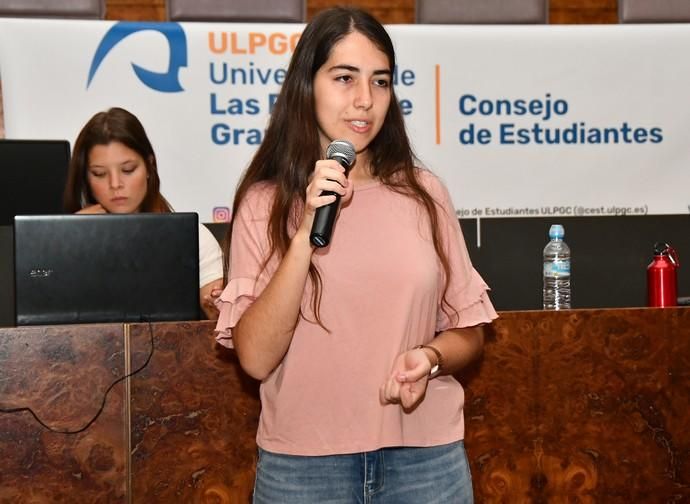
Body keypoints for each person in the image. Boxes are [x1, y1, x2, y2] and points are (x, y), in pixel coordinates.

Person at [215, 7, 498, 503]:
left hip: (426, 463)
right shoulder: (264, 204)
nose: (364, 100)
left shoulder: (424, 193)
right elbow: (256, 359)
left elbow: (471, 334)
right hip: (303, 470)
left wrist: (430, 358)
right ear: (308, 85)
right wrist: (305, 230)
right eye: (344, 77)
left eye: (380, 81)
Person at [63, 107, 223, 320]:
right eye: (99, 174)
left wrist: (218, 308)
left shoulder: (193, 237)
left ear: (149, 166)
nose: (115, 184)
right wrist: (69, 237)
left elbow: (217, 321)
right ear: (85, 179)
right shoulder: (65, 239)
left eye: (128, 170)